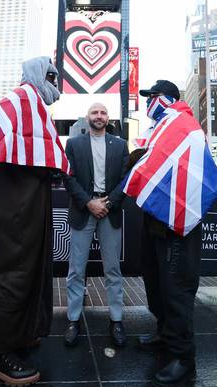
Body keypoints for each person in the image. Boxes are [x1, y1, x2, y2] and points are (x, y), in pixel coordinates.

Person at [0, 56, 69, 387]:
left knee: (28, 267)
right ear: (37, 75)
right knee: (10, 267)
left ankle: (20, 333)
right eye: (50, 76)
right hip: (14, 206)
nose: (55, 83)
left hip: (28, 201)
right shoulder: (23, 98)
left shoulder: (34, 103)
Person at [125, 80, 217, 387]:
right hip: (155, 221)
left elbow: (156, 165)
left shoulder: (183, 124)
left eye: (153, 97)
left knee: (176, 289)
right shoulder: (161, 129)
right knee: (155, 282)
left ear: (167, 98)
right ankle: (164, 332)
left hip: (176, 225)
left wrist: (142, 161)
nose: (148, 102)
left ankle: (183, 357)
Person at [63, 103, 130, 347]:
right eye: (94, 112)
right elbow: (68, 177)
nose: (99, 116)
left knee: (112, 269)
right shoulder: (74, 144)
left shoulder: (120, 145)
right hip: (84, 209)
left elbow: (126, 180)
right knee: (76, 269)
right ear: (87, 117)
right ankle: (73, 319)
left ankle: (116, 320)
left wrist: (108, 203)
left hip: (110, 210)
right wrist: (89, 203)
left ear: (108, 118)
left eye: (102, 113)